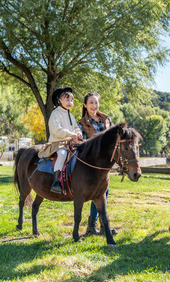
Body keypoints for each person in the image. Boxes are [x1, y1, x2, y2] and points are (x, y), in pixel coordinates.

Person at [77, 92, 117, 236]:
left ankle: (99, 226)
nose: (94, 106)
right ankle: (94, 226)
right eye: (91, 103)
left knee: (104, 192)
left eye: (96, 102)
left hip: (105, 164)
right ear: (85, 105)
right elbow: (80, 144)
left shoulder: (106, 120)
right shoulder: (81, 123)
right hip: (91, 164)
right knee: (99, 194)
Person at [47, 87, 82, 194]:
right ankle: (56, 181)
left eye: (71, 100)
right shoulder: (55, 113)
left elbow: (75, 127)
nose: (70, 102)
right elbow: (57, 129)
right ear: (59, 101)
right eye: (67, 100)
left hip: (70, 143)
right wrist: (71, 134)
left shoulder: (70, 115)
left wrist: (78, 133)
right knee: (62, 154)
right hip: (58, 142)